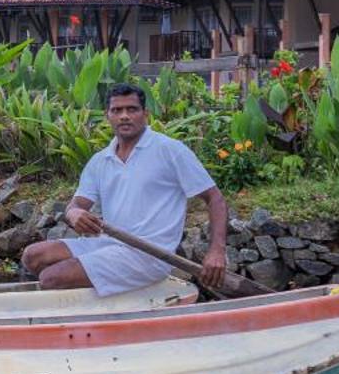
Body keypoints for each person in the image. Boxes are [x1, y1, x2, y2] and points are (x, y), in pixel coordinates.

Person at [20, 82, 229, 294]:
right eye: (117, 110)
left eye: (132, 109)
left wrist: (216, 252)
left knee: (51, 278)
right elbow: (77, 204)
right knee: (33, 255)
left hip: (149, 256)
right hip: (108, 246)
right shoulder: (100, 160)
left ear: (145, 113)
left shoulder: (170, 151)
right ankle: (87, 303)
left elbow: (215, 199)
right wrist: (74, 213)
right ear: (107, 116)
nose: (124, 116)